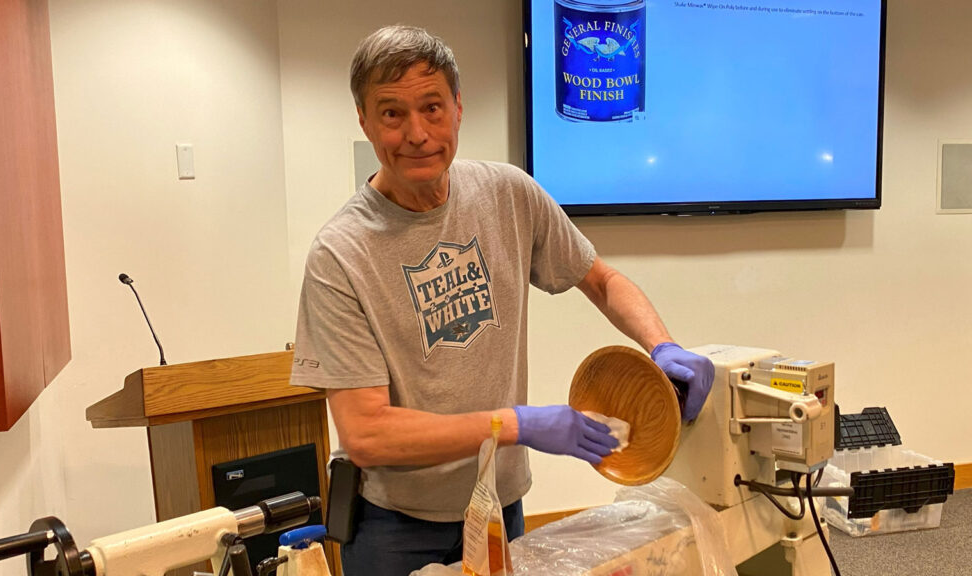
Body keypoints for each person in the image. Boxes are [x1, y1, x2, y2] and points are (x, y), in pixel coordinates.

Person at [290, 25, 714, 576]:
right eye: (392, 114)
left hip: (497, 507)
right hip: (395, 527)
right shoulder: (340, 254)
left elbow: (602, 280)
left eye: (432, 107)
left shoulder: (508, 194)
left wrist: (662, 345)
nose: (417, 133)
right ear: (364, 120)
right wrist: (515, 424)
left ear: (459, 109)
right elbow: (368, 435)